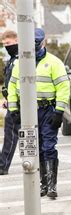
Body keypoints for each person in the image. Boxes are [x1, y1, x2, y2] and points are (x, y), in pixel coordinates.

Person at [7, 28, 70, 198]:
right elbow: (12, 87)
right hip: (27, 111)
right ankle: (42, 184)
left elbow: (63, 88)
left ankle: (51, 185)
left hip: (47, 110)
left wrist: (59, 111)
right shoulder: (20, 63)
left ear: (43, 42)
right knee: (33, 148)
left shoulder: (54, 62)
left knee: (48, 146)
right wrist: (13, 109)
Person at [0, 30, 20, 175]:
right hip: (11, 100)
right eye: (4, 44)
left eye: (8, 43)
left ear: (17, 40)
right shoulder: (12, 59)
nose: (6, 46)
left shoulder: (20, 59)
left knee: (11, 133)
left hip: (18, 102)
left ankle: (3, 165)